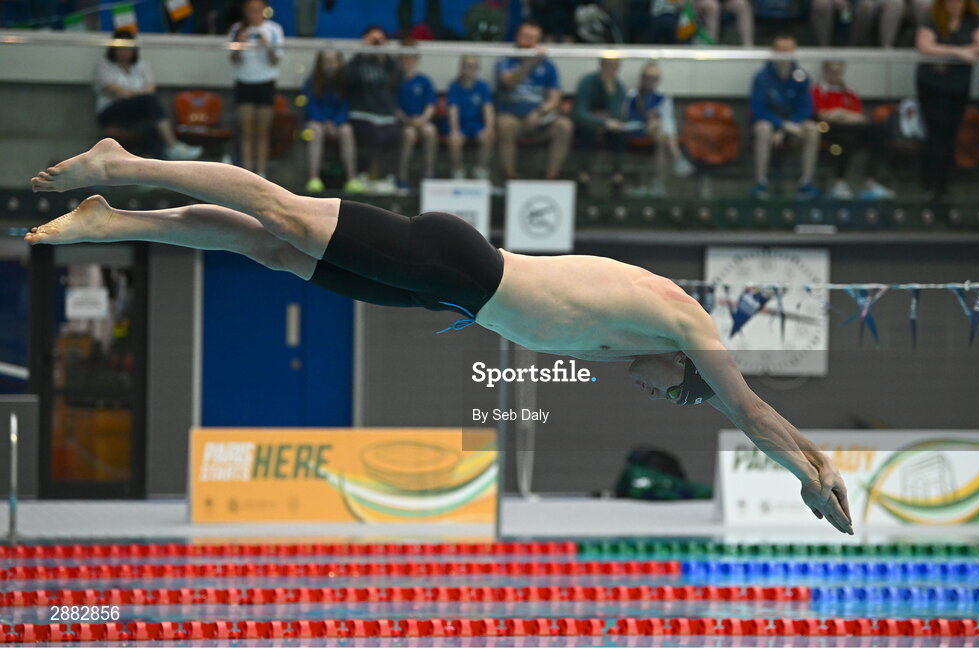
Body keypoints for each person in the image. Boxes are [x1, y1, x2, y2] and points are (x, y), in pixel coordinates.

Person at [26, 137, 854, 537]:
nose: (653, 390)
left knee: (271, 249)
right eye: (670, 387)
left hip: (446, 294)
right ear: (685, 363)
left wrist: (814, 456)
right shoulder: (679, 317)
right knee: (280, 211)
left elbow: (747, 408)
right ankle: (122, 163)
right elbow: (748, 411)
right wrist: (807, 476)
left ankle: (112, 221)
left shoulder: (633, 339)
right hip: (457, 261)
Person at [915, 0, 979, 201]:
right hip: (932, 83)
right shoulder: (932, 16)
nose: (954, 5)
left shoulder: (972, 19)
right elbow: (924, 45)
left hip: (959, 84)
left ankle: (944, 184)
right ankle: (930, 184)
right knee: (936, 133)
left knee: (951, 132)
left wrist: (947, 49)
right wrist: (958, 52)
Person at [94, 30, 202, 161]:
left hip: (138, 110)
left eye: (127, 48)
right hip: (111, 110)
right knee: (149, 102)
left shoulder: (141, 66)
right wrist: (137, 94)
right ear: (113, 49)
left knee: (151, 121)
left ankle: (156, 163)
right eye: (120, 48)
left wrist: (131, 94)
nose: (124, 52)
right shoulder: (104, 66)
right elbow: (115, 90)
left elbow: (150, 88)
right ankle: (172, 146)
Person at [495, 20, 574, 180]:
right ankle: (510, 177)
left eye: (533, 39)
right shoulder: (506, 61)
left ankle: (551, 177)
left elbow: (554, 98)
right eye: (525, 37)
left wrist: (540, 112)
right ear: (517, 37)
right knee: (505, 125)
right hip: (512, 115)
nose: (529, 42)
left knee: (564, 126)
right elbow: (509, 82)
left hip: (539, 118)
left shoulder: (548, 65)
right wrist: (529, 63)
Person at [750, 33, 821, 201]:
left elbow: (806, 108)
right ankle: (761, 182)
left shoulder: (801, 77)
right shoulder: (762, 77)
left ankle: (806, 183)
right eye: (781, 50)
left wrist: (790, 125)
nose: (785, 55)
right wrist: (781, 125)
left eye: (788, 50)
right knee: (763, 128)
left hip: (793, 129)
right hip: (772, 128)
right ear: (773, 52)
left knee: (812, 129)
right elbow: (757, 108)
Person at [812, 61, 896, 200]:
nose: (835, 75)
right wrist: (842, 114)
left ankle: (870, 181)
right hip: (828, 128)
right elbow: (822, 114)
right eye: (832, 71)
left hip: (852, 126)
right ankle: (840, 182)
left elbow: (859, 115)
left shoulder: (849, 90)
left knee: (878, 132)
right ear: (825, 72)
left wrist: (839, 113)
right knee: (845, 139)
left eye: (838, 72)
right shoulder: (818, 90)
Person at [228, 0, 284, 178]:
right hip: (244, 82)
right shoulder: (237, 29)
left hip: (265, 82)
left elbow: (276, 60)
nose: (254, 14)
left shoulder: (274, 29)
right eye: (250, 10)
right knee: (246, 131)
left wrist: (267, 45)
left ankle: (261, 172)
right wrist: (240, 43)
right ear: (245, 12)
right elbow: (233, 59)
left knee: (262, 131)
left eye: (257, 10)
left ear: (264, 11)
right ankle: (246, 173)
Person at [622, 61, 695, 197]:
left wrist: (655, 120)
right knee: (659, 127)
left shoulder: (662, 98)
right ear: (642, 78)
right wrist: (647, 119)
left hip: (658, 135)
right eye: (648, 78)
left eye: (654, 79)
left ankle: (658, 182)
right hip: (636, 131)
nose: (651, 82)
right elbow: (627, 119)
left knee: (661, 134)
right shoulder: (632, 96)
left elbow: (667, 118)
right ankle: (677, 158)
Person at [347, 26, 404, 194]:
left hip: (385, 114)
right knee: (371, 135)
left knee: (394, 135)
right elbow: (348, 80)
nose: (376, 44)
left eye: (379, 41)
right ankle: (364, 175)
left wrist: (383, 58)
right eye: (372, 40)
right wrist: (363, 54)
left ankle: (389, 177)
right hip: (362, 112)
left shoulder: (389, 63)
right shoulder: (357, 62)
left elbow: (397, 81)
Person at [302, 50, 361, 195]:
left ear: (340, 63)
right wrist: (323, 122)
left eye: (333, 61)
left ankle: (351, 179)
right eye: (326, 62)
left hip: (337, 124)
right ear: (319, 64)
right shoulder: (311, 83)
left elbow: (345, 107)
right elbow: (310, 106)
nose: (330, 66)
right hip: (317, 122)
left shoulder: (345, 84)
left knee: (347, 130)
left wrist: (335, 123)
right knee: (315, 130)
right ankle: (313, 179)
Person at [572, 55, 628, 195]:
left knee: (619, 131)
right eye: (608, 65)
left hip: (609, 128)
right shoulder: (587, 82)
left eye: (614, 66)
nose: (610, 69)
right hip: (586, 125)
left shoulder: (619, 87)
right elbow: (580, 113)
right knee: (589, 129)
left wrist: (610, 93)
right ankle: (583, 174)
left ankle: (617, 175)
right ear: (601, 65)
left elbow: (617, 115)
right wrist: (602, 121)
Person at [395, 40, 439, 193]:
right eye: (404, 58)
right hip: (403, 123)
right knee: (409, 134)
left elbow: (431, 104)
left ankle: (428, 174)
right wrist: (406, 120)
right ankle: (402, 177)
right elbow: (394, 106)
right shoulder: (395, 80)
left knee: (430, 131)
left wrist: (423, 119)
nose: (407, 61)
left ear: (416, 59)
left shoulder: (424, 80)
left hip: (421, 121)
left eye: (410, 58)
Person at [445, 55, 495, 181]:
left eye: (473, 66)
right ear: (461, 68)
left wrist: (489, 128)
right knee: (454, 139)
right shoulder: (454, 86)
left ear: (478, 68)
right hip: (460, 124)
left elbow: (488, 108)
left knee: (488, 136)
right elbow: (453, 109)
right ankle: (457, 170)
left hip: (476, 124)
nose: (470, 69)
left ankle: (481, 170)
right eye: (467, 66)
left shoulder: (483, 86)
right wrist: (455, 130)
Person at [810, 0, 904, 47]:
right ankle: (823, 48)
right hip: (837, 7)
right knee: (822, 4)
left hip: (858, 6)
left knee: (866, 6)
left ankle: (854, 45)